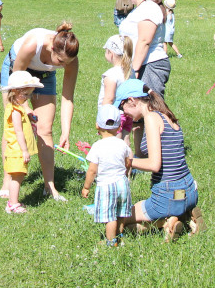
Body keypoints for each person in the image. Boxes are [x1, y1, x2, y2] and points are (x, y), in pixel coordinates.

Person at [0, 23, 80, 201]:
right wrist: (25, 108)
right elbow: (16, 80)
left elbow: (68, 98)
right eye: (60, 62)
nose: (64, 65)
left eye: (68, 62)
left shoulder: (70, 60)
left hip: (44, 76)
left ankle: (49, 186)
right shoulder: (32, 45)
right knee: (14, 125)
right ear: (51, 47)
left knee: (45, 129)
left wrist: (66, 131)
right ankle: (7, 180)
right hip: (17, 73)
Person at [115, 79, 203, 241]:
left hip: (167, 195)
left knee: (120, 219)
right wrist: (136, 130)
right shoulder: (165, 114)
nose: (123, 113)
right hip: (188, 191)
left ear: (132, 101)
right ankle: (183, 216)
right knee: (137, 221)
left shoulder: (151, 118)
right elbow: (145, 154)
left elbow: (154, 164)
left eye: (122, 107)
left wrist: (126, 162)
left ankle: (166, 222)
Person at [81, 105, 133, 247]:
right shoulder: (121, 144)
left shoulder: (97, 146)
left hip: (106, 185)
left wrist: (86, 187)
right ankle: (120, 236)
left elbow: (92, 170)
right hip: (122, 183)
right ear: (119, 126)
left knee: (110, 217)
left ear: (97, 125)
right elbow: (128, 161)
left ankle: (111, 242)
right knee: (121, 213)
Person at [118, 0, 170, 93]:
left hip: (149, 66)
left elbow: (145, 40)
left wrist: (135, 70)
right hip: (141, 65)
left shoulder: (149, 8)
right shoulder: (141, 8)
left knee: (152, 108)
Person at [1, 72, 42, 215]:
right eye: (25, 95)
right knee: (17, 177)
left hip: (16, 150)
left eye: (29, 95)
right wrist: (24, 151)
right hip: (17, 150)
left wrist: (29, 118)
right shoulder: (16, 111)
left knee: (19, 176)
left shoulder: (16, 108)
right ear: (15, 91)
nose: (27, 98)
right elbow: (18, 131)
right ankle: (13, 204)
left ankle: (13, 201)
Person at [99, 35, 134, 142]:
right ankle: (128, 159)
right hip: (127, 114)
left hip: (113, 116)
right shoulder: (130, 71)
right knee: (125, 143)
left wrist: (102, 117)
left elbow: (109, 99)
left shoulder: (111, 75)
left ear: (111, 53)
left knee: (114, 144)